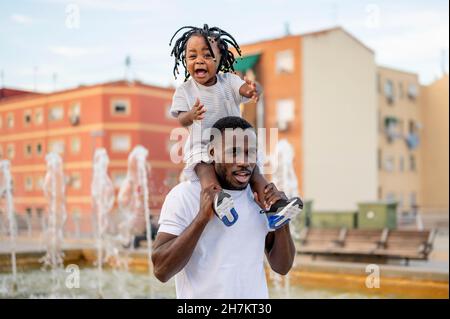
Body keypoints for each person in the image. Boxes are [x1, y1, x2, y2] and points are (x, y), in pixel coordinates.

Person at [152, 116, 302, 298]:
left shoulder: (260, 197)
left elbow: (282, 267)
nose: (244, 161)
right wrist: (202, 218)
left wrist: (281, 223)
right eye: (234, 152)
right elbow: (161, 270)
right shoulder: (184, 196)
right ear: (212, 152)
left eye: (250, 153)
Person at [169, 24, 301, 226]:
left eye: (206, 55)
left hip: (236, 145)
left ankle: (275, 206)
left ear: (220, 58)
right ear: (184, 60)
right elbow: (180, 119)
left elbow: (246, 90)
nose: (199, 61)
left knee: (256, 172)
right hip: (202, 145)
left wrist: (253, 88)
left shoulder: (228, 81)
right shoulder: (185, 91)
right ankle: (218, 201)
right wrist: (191, 115)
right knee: (205, 171)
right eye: (192, 56)